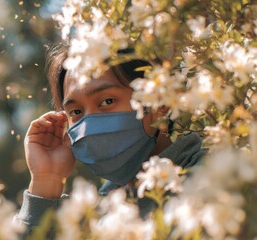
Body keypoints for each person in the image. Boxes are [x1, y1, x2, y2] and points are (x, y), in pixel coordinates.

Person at [15, 43, 205, 236]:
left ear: (159, 103)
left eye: (107, 101)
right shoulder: (95, 217)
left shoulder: (211, 179)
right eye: (77, 112)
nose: (88, 125)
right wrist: (47, 181)